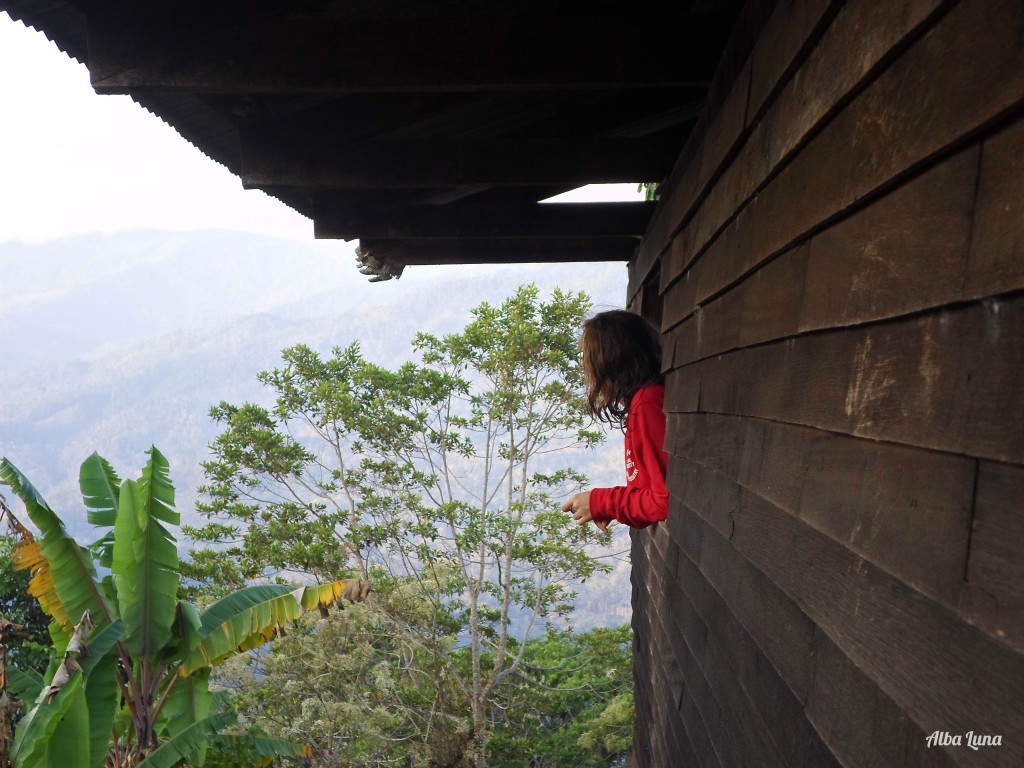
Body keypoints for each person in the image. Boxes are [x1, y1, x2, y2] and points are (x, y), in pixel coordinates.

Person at [562, 309, 669, 531]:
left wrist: (602, 501)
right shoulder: (642, 404)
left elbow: (663, 502)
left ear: (609, 362)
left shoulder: (648, 404)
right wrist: (608, 507)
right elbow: (647, 496)